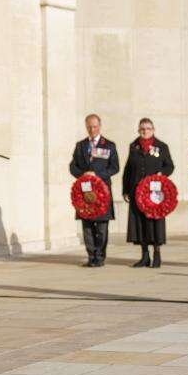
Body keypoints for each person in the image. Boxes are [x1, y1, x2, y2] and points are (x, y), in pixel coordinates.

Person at [122, 118, 174, 268]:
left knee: (154, 222)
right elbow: (128, 170)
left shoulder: (162, 146)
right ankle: (144, 256)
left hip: (154, 194)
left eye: (148, 128)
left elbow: (170, 166)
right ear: (139, 130)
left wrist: (161, 173)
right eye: (142, 129)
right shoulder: (134, 146)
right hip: (137, 192)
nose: (145, 131)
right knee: (139, 223)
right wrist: (125, 190)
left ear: (153, 130)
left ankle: (157, 254)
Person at [69, 114, 120, 267]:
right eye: (89, 127)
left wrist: (96, 175)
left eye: (95, 126)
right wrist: (83, 175)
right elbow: (73, 166)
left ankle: (100, 256)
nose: (92, 129)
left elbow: (115, 167)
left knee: (102, 227)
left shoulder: (109, 145)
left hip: (102, 192)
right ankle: (91, 256)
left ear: (100, 126)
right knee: (87, 226)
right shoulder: (81, 145)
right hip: (85, 193)